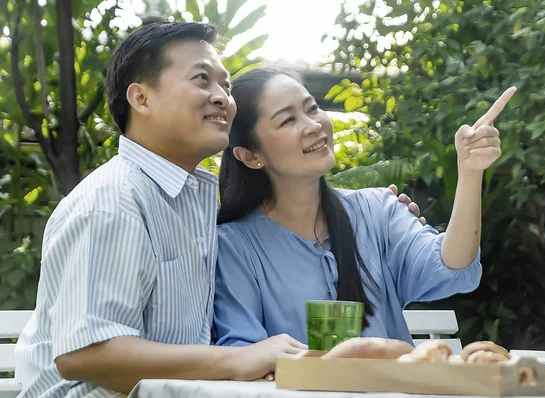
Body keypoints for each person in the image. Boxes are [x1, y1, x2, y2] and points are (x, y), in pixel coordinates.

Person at [14, 22, 423, 397]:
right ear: (141, 98)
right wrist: (240, 360)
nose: (222, 98)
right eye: (202, 79)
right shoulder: (112, 203)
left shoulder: (191, 203)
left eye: (225, 86)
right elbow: (86, 355)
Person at [213, 67, 515, 348]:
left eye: (312, 108)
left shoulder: (378, 209)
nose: (313, 125)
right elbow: (242, 349)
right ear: (250, 156)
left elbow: (453, 265)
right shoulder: (234, 247)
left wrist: (471, 171)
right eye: (288, 120)